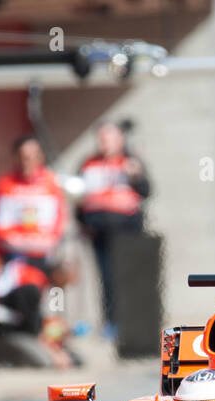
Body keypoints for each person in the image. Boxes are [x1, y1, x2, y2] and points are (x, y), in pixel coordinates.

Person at [76, 121, 151, 334]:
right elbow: (78, 198)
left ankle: (133, 322)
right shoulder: (89, 164)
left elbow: (146, 191)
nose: (104, 143)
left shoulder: (131, 162)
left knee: (127, 277)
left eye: (108, 138)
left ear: (120, 140)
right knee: (107, 278)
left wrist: (136, 176)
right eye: (101, 138)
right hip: (99, 232)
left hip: (127, 230)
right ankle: (111, 323)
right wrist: (83, 223)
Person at [0, 135, 67, 338]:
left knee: (54, 304)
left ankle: (55, 342)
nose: (29, 161)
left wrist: (48, 243)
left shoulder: (51, 182)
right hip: (18, 259)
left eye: (34, 156)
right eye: (24, 156)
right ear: (16, 157)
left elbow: (59, 222)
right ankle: (28, 338)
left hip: (46, 257)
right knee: (21, 298)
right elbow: (0, 227)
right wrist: (21, 243)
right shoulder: (6, 184)